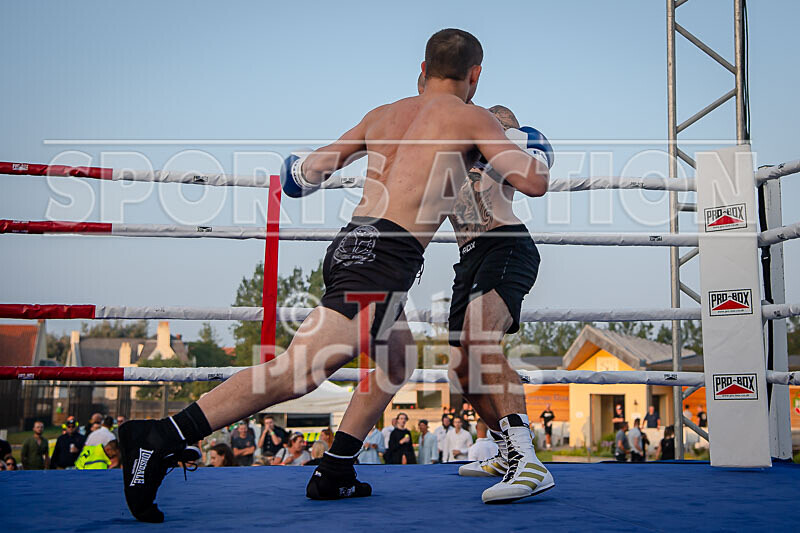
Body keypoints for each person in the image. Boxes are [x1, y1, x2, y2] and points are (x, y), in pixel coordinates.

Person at [119, 28, 549, 520]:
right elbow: (532, 181)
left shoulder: (381, 115)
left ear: (422, 71)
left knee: (395, 361)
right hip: (386, 258)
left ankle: (337, 467)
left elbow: (302, 176)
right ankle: (158, 438)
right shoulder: (471, 117)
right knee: (298, 371)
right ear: (475, 76)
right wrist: (516, 143)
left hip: (351, 245)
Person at [428, 93, 553, 502]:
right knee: (462, 370)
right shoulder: (446, 161)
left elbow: (528, 147)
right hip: (466, 260)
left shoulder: (506, 148)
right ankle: (504, 450)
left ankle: (527, 460)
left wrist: (494, 126)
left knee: (482, 340)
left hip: (505, 245)